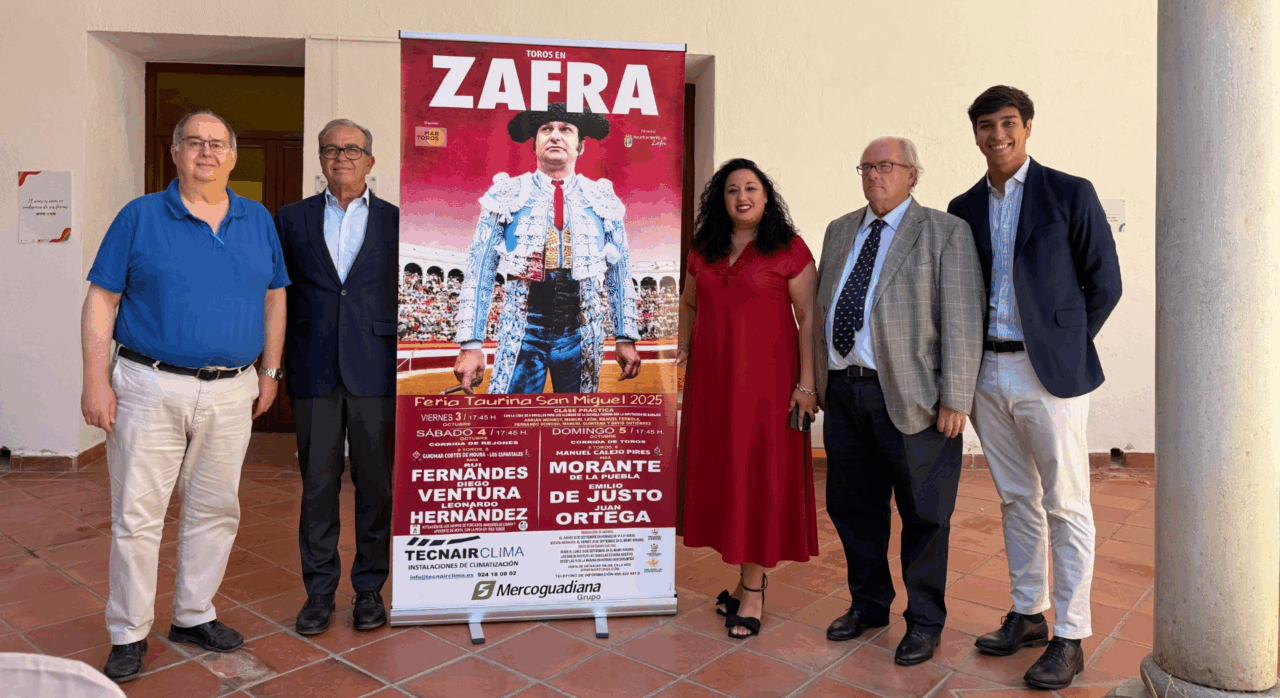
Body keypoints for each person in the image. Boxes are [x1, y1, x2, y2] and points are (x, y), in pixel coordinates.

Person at [80, 109, 289, 682]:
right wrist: (95, 380)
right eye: (193, 142)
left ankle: (194, 614)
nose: (205, 152)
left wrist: (270, 372)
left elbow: (275, 296)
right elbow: (102, 301)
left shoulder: (257, 220)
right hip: (149, 385)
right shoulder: (140, 216)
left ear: (233, 155)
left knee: (216, 509)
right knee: (137, 515)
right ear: (174, 154)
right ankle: (128, 632)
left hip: (231, 389)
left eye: (217, 143)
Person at [947, 85, 1122, 690]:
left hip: (1049, 375)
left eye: (1008, 123)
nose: (998, 135)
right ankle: (1028, 614)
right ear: (974, 135)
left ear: (1027, 127)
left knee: (1066, 503)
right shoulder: (963, 206)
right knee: (1016, 498)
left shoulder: (1070, 193)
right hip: (986, 374)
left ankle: (1071, 635)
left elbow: (1105, 281)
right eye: (986, 126)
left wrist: (1062, 342)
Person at [818, 137, 985, 665]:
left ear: (912, 174)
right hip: (845, 391)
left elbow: (962, 316)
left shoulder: (944, 232)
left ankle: (925, 622)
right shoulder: (840, 230)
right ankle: (868, 605)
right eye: (865, 167)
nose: (873, 176)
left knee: (925, 514)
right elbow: (825, 303)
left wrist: (956, 397)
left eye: (885, 167)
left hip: (917, 397)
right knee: (853, 508)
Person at [678, 158, 820, 639]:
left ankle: (755, 589)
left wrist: (806, 384)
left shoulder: (790, 249)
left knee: (759, 476)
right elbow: (689, 304)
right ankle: (742, 583)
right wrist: (677, 354)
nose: (742, 196)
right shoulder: (704, 248)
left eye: (752, 188)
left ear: (766, 196)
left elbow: (809, 321)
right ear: (721, 199)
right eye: (732, 189)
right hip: (714, 386)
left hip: (768, 388)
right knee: (727, 477)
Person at [274, 118, 399, 636]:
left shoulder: (397, 221)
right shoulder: (289, 219)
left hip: (376, 369)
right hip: (314, 367)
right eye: (331, 149)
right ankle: (319, 593)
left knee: (375, 485)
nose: (341, 156)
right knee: (317, 486)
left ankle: (369, 589)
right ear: (320, 160)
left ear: (371, 161)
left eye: (352, 149)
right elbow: (276, 292)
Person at [452, 103, 641, 394]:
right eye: (545, 129)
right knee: (511, 422)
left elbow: (620, 270)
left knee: (575, 423)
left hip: (582, 330)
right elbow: (480, 267)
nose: (555, 136)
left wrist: (625, 337)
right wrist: (471, 343)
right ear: (535, 144)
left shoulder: (601, 196)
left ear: (581, 146)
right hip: (522, 329)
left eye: (565, 129)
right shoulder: (507, 192)